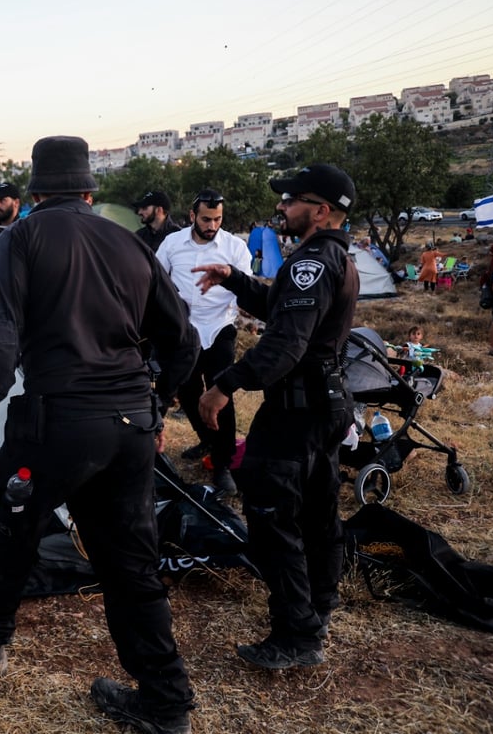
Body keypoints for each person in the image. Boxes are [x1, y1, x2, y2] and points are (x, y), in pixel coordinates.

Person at [0, 136, 199, 734]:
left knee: (11, 525)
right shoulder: (131, 243)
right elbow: (184, 341)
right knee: (132, 562)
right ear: (88, 192)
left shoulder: (19, 240)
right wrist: (153, 402)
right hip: (131, 425)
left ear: (32, 194)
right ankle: (166, 701)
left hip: (59, 421)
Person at [194, 163, 359, 670]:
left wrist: (224, 386)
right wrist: (236, 280)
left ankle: (296, 635)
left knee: (271, 520)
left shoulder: (312, 263)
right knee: (317, 513)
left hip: (296, 413)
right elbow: (283, 309)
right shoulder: (328, 258)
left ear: (321, 210)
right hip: (323, 406)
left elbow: (286, 344)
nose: (283, 207)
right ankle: (319, 606)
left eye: (292, 200)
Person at [155, 189, 253, 496]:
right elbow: (156, 281)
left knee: (220, 394)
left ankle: (222, 463)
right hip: (183, 330)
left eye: (218, 219)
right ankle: (206, 439)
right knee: (186, 393)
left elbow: (246, 288)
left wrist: (246, 306)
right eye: (207, 219)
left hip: (219, 327)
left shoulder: (235, 247)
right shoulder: (172, 244)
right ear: (192, 216)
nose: (212, 226)